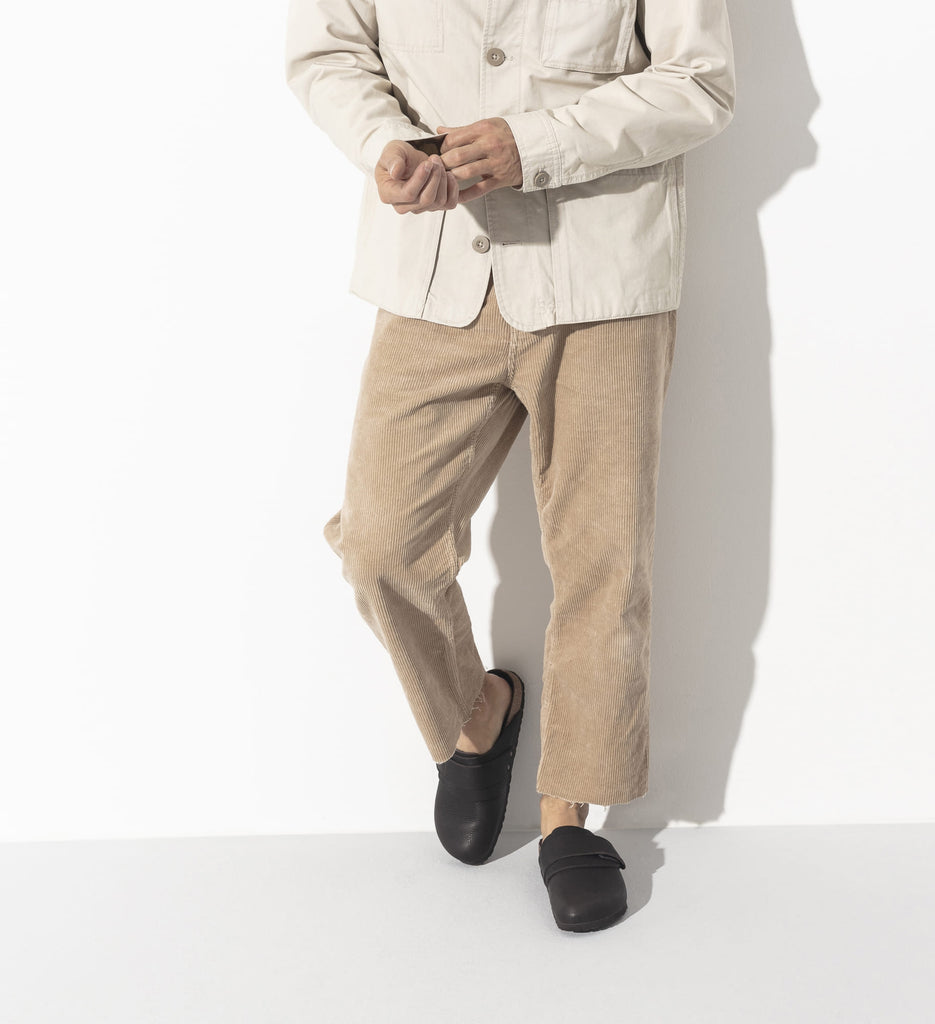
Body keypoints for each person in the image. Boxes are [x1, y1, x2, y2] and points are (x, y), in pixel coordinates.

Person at [284, 0, 736, 932]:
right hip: (433, 265)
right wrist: (382, 144)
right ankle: (477, 715)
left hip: (603, 269)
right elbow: (327, 51)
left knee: (602, 559)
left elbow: (701, 81)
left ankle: (569, 810)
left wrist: (538, 144)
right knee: (380, 546)